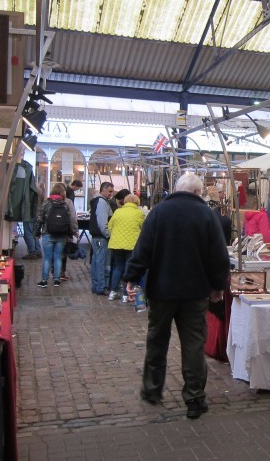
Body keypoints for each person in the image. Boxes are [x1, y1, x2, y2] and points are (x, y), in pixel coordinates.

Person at [123, 173, 230, 419]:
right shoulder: (206, 215)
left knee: (157, 339)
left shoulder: (159, 213)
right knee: (193, 344)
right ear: (197, 192)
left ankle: (152, 390)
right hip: (195, 292)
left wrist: (131, 276)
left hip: (161, 290)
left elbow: (143, 249)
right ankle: (194, 398)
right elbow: (219, 256)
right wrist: (217, 286)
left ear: (177, 189)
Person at [34, 183, 78, 288]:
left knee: (47, 258)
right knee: (58, 257)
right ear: (63, 193)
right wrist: (71, 233)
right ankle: (57, 280)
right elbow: (69, 220)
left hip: (47, 234)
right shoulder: (65, 205)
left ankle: (44, 280)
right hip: (61, 235)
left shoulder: (46, 204)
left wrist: (37, 232)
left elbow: (39, 219)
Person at [107, 194, 145, 302]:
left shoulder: (118, 212)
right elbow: (144, 229)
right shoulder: (139, 213)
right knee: (130, 268)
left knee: (118, 267)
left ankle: (113, 292)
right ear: (137, 203)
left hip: (116, 244)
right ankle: (125, 294)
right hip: (132, 245)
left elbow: (110, 226)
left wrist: (115, 236)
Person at [90, 182, 115, 295]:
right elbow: (102, 222)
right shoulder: (101, 202)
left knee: (97, 261)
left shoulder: (99, 201)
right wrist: (108, 234)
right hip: (101, 237)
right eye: (109, 191)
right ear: (103, 190)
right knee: (101, 262)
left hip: (98, 237)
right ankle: (101, 286)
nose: (111, 194)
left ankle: (96, 286)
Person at [60, 180, 82, 280]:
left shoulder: (49, 201)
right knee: (63, 253)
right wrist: (74, 230)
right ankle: (60, 273)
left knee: (52, 254)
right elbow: (72, 217)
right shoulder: (68, 199)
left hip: (51, 231)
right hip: (64, 229)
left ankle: (48, 275)